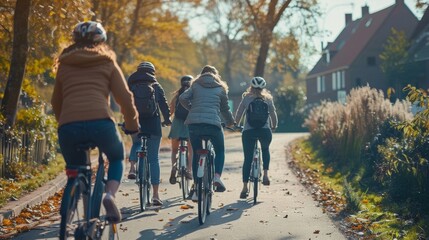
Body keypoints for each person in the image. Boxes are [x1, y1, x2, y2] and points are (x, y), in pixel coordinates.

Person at [51, 21, 139, 223]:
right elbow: (125, 99)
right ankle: (109, 196)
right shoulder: (106, 62)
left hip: (69, 127)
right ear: (101, 41)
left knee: (75, 168)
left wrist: (64, 123)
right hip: (101, 123)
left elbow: (56, 101)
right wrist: (132, 126)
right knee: (117, 157)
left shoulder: (64, 64)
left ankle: (70, 212)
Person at [179, 65, 235, 199]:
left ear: (202, 74)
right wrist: (230, 122)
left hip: (194, 125)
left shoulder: (195, 85)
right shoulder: (220, 88)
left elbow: (182, 98)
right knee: (220, 150)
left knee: (197, 152)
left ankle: (197, 186)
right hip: (213, 125)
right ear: (216, 75)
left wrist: (191, 108)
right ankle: (216, 177)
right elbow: (225, 109)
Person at [127, 61, 171, 206]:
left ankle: (133, 167)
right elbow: (163, 104)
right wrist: (167, 119)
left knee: (136, 142)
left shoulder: (131, 84)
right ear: (152, 72)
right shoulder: (156, 85)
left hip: (136, 123)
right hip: (153, 125)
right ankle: (156, 195)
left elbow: (124, 103)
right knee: (153, 159)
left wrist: (126, 121)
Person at [234, 76, 278, 199]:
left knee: (248, 158)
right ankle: (265, 175)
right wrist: (274, 125)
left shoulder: (246, 98)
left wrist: (236, 124)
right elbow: (273, 113)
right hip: (265, 131)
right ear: (263, 87)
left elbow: (239, 113)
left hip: (249, 131)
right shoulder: (268, 98)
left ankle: (244, 188)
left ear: (251, 87)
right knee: (265, 149)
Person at [168, 75, 194, 184]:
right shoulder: (194, 96)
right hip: (190, 124)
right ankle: (189, 169)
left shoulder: (177, 96)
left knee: (174, 150)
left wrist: (167, 120)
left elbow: (170, 112)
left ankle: (174, 167)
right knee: (191, 150)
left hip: (177, 124)